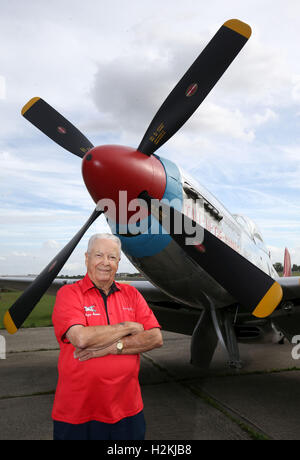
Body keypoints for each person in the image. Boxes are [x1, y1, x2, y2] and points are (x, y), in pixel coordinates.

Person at [52, 233, 163, 440]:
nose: (105, 263)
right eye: (99, 255)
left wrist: (112, 347)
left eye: (112, 257)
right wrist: (128, 326)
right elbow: (81, 338)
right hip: (78, 413)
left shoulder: (132, 294)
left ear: (118, 262)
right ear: (87, 258)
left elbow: (155, 337)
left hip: (128, 411)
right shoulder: (69, 294)